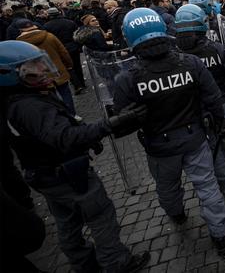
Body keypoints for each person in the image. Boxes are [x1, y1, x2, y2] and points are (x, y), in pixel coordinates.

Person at [0, 40, 150, 272]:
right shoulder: (30, 107)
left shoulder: (16, 101)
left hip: (45, 175)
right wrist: (109, 124)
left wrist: (87, 139)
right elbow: (64, 137)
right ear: (10, 75)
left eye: (40, 64)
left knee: (67, 223)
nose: (42, 70)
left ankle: (84, 263)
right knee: (101, 217)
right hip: (68, 175)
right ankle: (117, 263)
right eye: (32, 68)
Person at [112, 8, 225, 255]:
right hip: (194, 138)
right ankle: (220, 234)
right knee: (207, 186)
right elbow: (212, 97)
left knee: (167, 188)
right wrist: (219, 122)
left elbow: (123, 122)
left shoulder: (127, 78)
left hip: (159, 147)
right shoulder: (190, 63)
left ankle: (177, 215)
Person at [175, 4, 225, 179]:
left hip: (194, 110)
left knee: (212, 143)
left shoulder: (176, 57)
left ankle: (224, 178)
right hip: (221, 100)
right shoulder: (216, 48)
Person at [16, 19, 77, 115]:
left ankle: (60, 116)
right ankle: (72, 114)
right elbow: (63, 52)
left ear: (20, 30)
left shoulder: (19, 44)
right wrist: (69, 65)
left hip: (39, 76)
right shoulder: (49, 36)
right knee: (65, 94)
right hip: (57, 70)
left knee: (49, 97)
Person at [44, 7, 85, 94]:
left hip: (60, 48)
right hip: (73, 46)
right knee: (77, 65)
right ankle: (82, 82)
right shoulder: (70, 22)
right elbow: (78, 34)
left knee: (68, 67)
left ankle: (77, 84)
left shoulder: (47, 26)